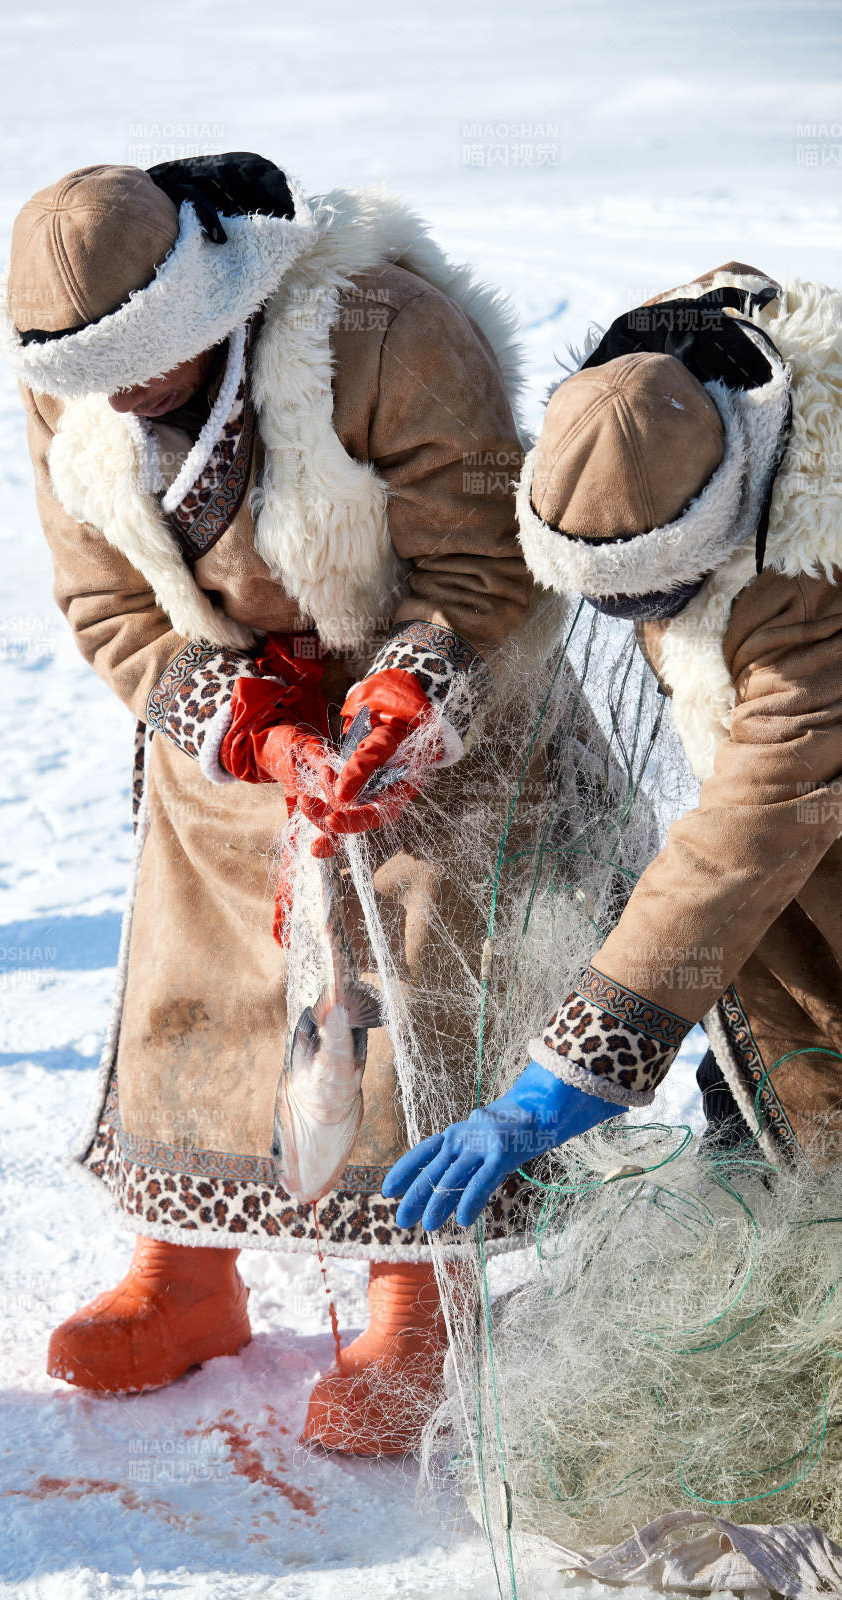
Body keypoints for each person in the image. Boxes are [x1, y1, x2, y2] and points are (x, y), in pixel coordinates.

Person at [0, 152, 542, 1452]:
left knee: (411, 976)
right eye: (91, 374)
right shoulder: (64, 376)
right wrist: (241, 721)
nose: (121, 390)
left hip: (425, 683)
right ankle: (185, 1277)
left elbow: (484, 566)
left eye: (153, 356)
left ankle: (418, 1299)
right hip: (233, 692)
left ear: (214, 298)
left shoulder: (384, 332)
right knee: (196, 973)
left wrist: (396, 708)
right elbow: (106, 602)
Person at [386, 262, 842, 1230]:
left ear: (722, 513)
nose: (634, 622)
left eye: (654, 596)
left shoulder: (808, 577)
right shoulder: (665, 384)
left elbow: (749, 826)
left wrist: (561, 1077)